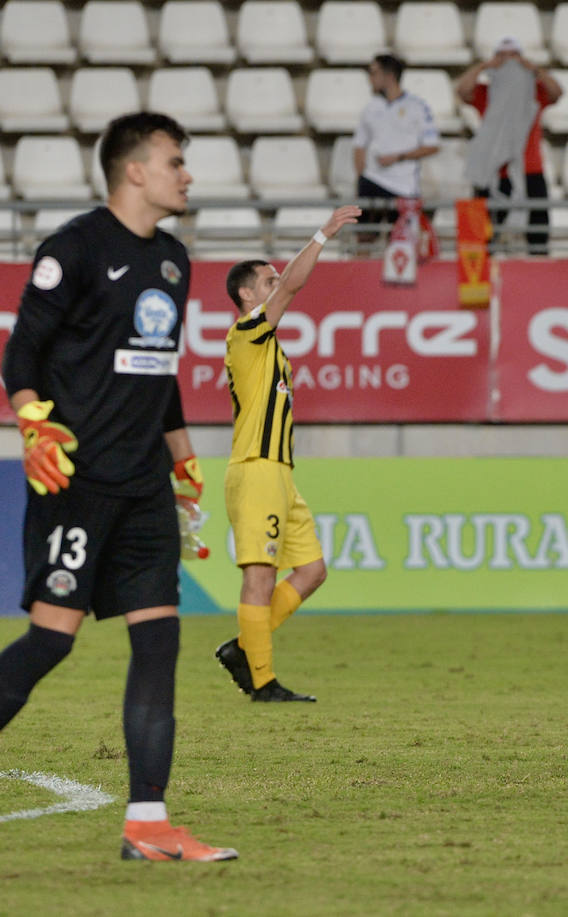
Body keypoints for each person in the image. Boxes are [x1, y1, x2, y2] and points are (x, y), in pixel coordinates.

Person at [0, 111, 236, 861]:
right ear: (134, 170)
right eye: (175, 161)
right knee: (49, 641)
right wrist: (34, 425)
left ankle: (148, 822)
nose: (186, 174)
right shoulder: (71, 249)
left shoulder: (174, 259)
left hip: (143, 490)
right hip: (76, 481)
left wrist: (185, 459)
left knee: (159, 641)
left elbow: (157, 371)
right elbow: (21, 354)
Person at [213, 205, 361, 703]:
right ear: (247, 295)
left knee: (313, 569)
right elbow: (293, 289)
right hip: (256, 471)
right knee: (260, 578)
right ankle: (263, 681)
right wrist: (323, 233)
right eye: (268, 281)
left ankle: (243, 647)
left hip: (279, 475)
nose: (277, 285)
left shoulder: (268, 346)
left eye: (276, 280)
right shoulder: (247, 334)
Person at [456, 36, 562, 256]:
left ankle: (539, 275)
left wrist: (534, 69)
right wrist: (484, 66)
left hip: (530, 169)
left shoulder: (534, 91)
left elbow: (557, 92)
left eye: (513, 56)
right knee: (481, 233)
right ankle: (476, 279)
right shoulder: (487, 93)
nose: (508, 63)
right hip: (492, 169)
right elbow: (462, 91)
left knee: (538, 233)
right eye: (502, 57)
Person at [352, 53, 439, 234]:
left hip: (403, 185)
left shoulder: (417, 106)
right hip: (372, 180)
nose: (370, 79)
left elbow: (432, 146)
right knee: (364, 238)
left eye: (374, 73)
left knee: (401, 241)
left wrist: (399, 157)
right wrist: (361, 178)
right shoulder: (371, 108)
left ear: (389, 76)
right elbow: (359, 145)